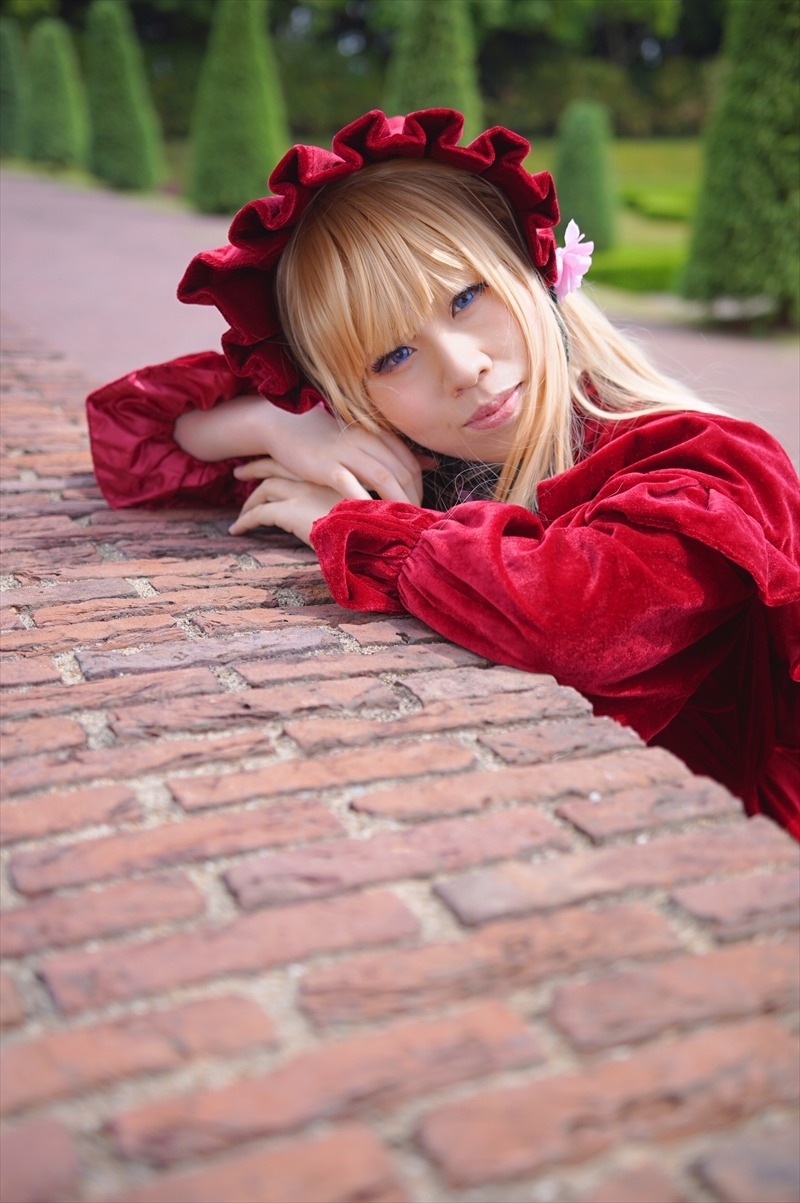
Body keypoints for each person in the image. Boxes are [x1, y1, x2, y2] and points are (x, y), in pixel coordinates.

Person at [86, 108, 800, 839]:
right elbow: (135, 433)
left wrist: (353, 527)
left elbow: (578, 619)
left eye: (466, 298)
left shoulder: (710, 462)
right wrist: (281, 426)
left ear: (528, 264)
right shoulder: (416, 457)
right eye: (393, 356)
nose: (463, 368)